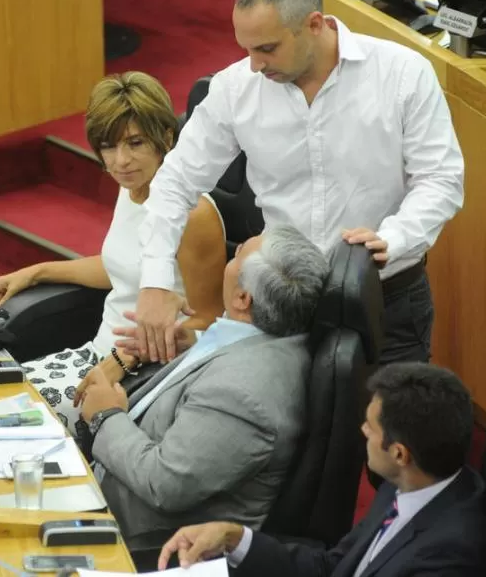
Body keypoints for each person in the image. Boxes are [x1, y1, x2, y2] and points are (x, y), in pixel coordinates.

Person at [133, 0, 464, 366]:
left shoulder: (404, 74)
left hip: (386, 294)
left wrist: (393, 239)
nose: (254, 64)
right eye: (247, 48)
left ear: (314, 24)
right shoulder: (236, 88)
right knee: (287, 428)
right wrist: (154, 282)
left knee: (389, 427)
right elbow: (174, 183)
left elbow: (441, 180)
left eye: (267, 48)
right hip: (278, 303)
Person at [0, 71, 226, 434]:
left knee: (5, 426)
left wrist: (124, 359)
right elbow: (125, 266)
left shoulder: (194, 215)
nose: (121, 161)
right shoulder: (132, 185)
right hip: (96, 357)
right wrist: (37, 272)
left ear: (166, 137)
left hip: (142, 381)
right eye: (109, 147)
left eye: (135, 142)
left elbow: (210, 324)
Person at [75, 225, 330, 549]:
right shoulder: (264, 335)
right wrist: (192, 343)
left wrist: (105, 416)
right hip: (106, 482)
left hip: (129, 538)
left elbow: (163, 484)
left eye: (237, 254)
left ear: (242, 298)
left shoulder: (243, 395)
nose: (232, 253)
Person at [157, 362, 486, 577]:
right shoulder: (407, 485)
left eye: (371, 428)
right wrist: (233, 536)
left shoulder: (453, 555)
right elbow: (333, 567)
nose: (363, 431)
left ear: (400, 453)